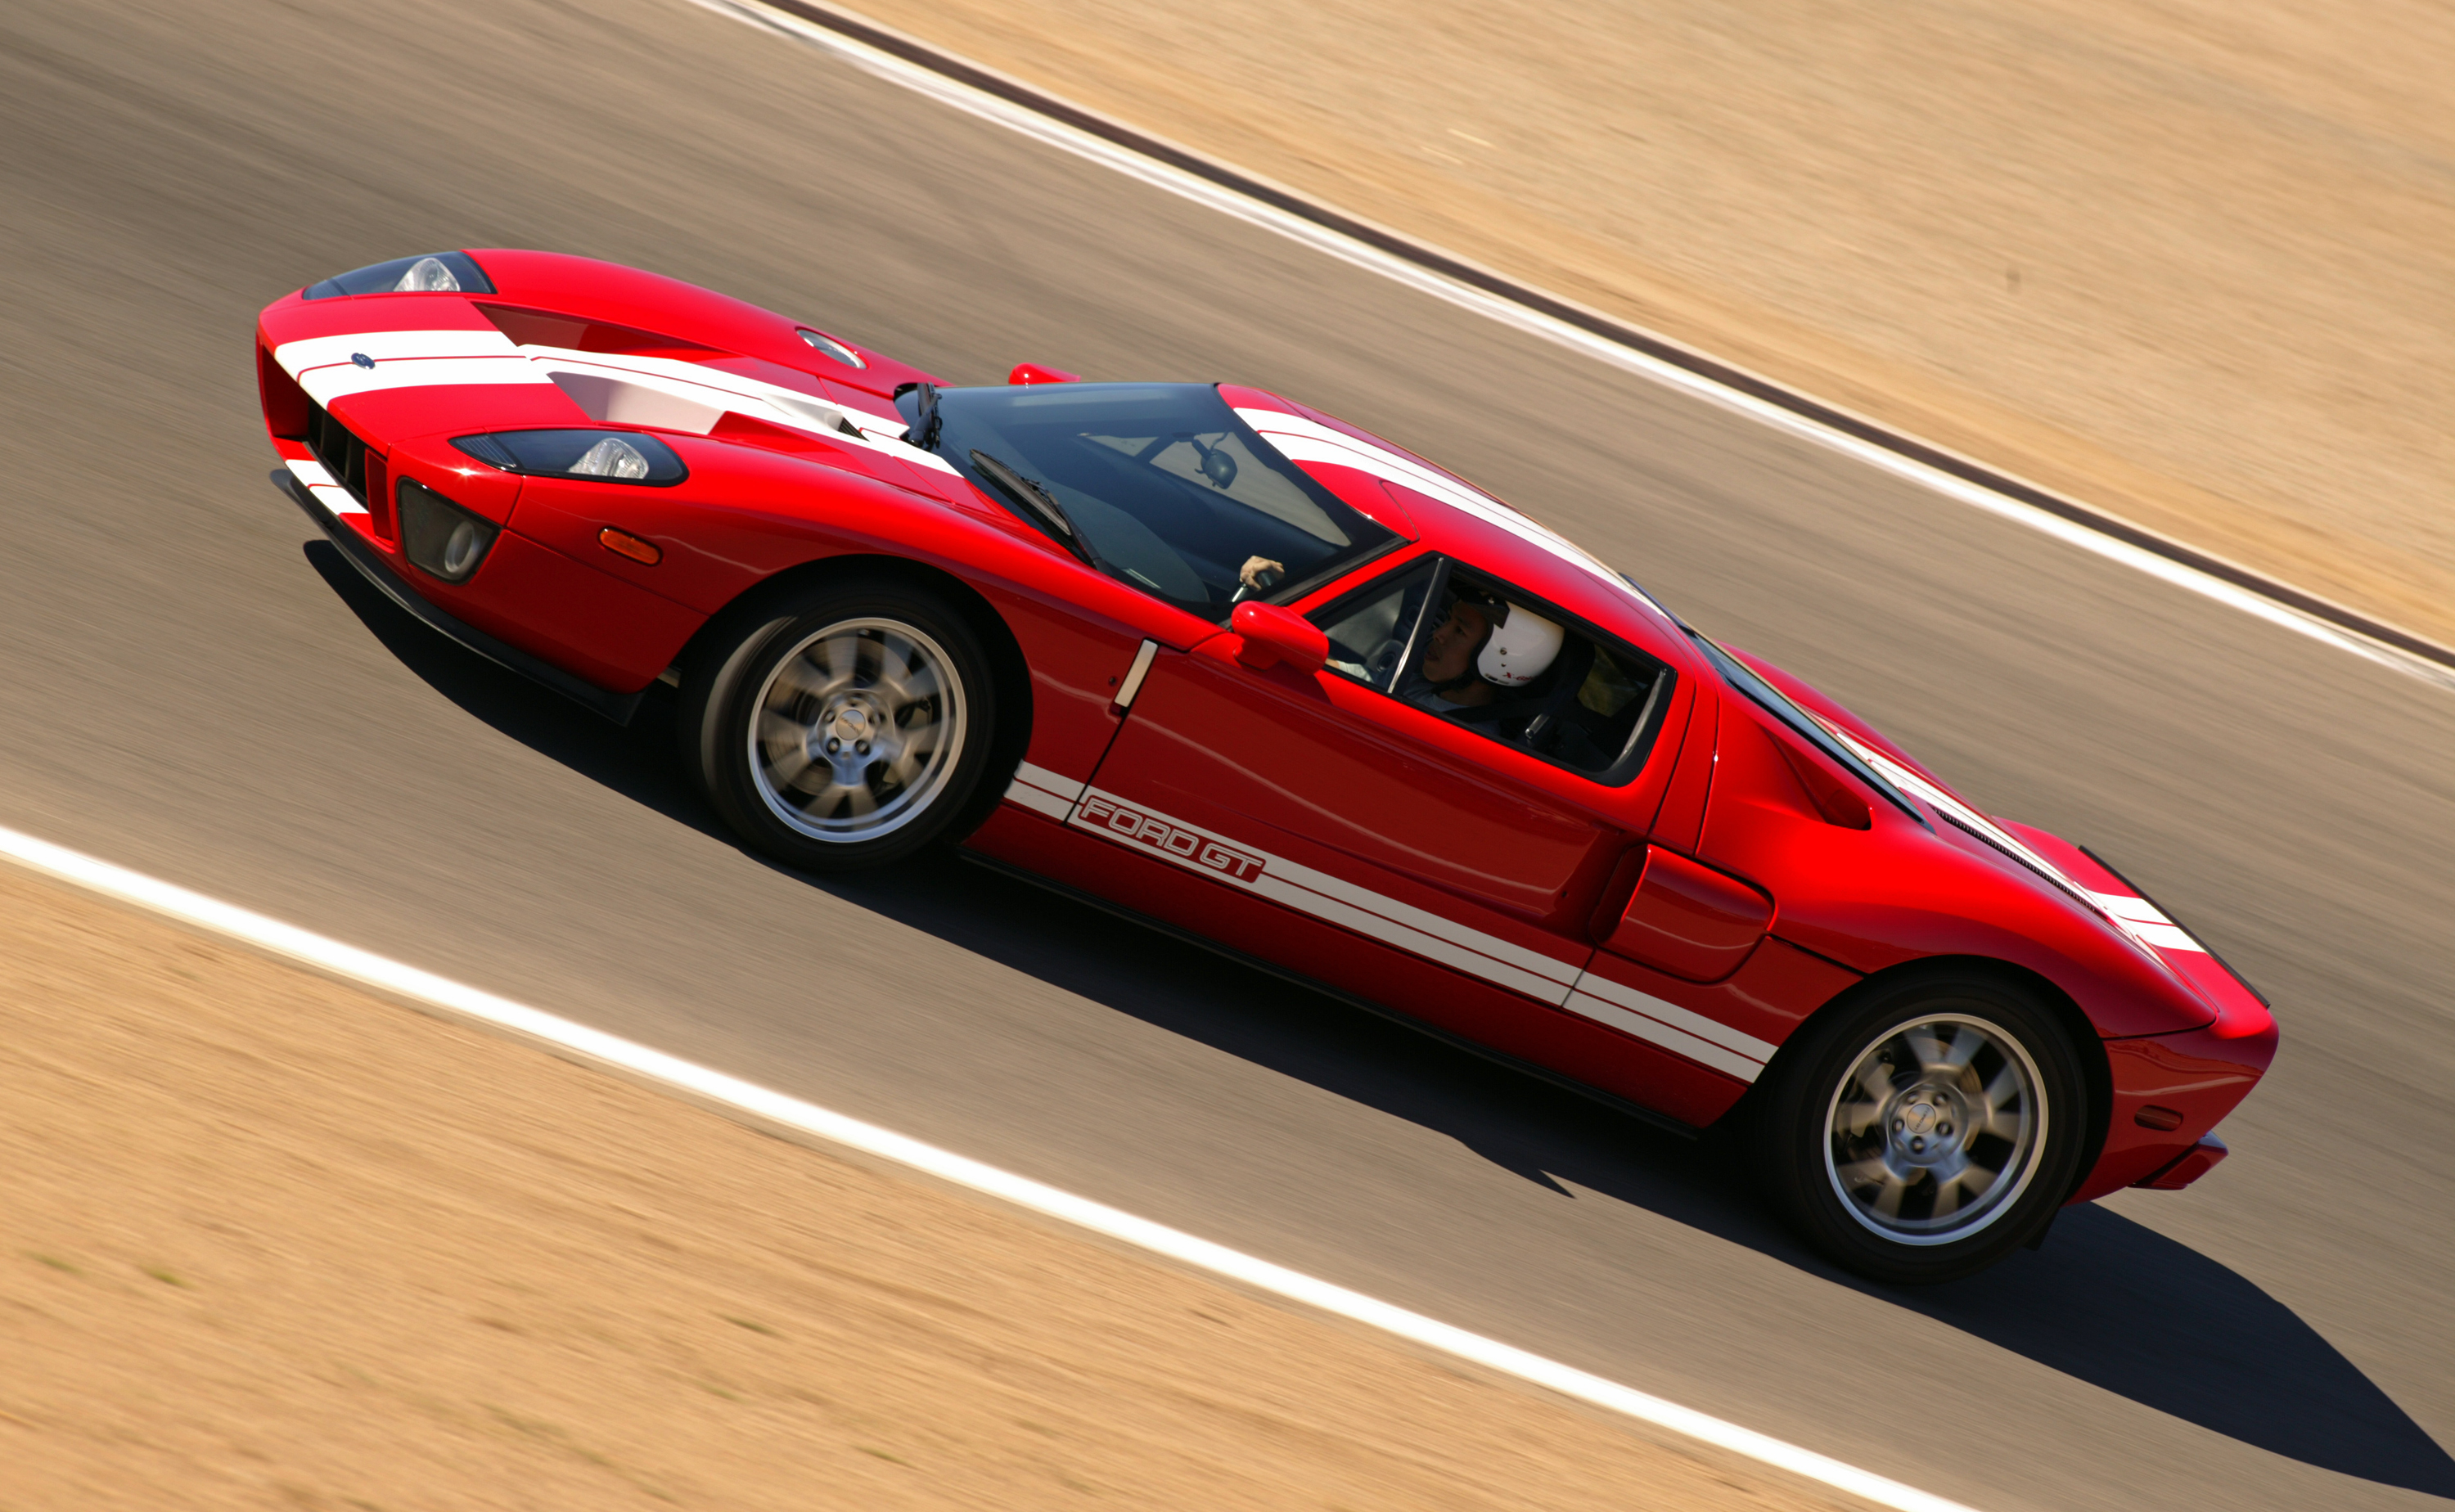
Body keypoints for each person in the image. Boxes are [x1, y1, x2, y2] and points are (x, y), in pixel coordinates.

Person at [1412, 590, 1564, 713]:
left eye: (1460, 631)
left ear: (1498, 660)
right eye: (1448, 619)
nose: (1438, 634)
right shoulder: (1419, 686)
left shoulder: (1460, 742)